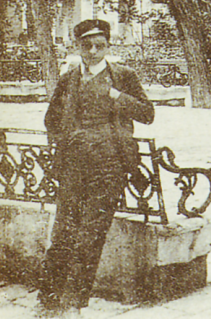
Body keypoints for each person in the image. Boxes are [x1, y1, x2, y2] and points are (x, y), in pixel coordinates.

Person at [39, 19, 155, 316]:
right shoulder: (68, 78)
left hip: (109, 165)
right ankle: (49, 299)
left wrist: (117, 97)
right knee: (63, 232)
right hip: (74, 165)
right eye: (86, 46)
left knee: (91, 235)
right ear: (76, 47)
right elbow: (51, 118)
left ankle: (74, 304)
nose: (92, 51)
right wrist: (67, 140)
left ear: (108, 47)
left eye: (99, 46)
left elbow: (146, 113)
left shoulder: (123, 75)